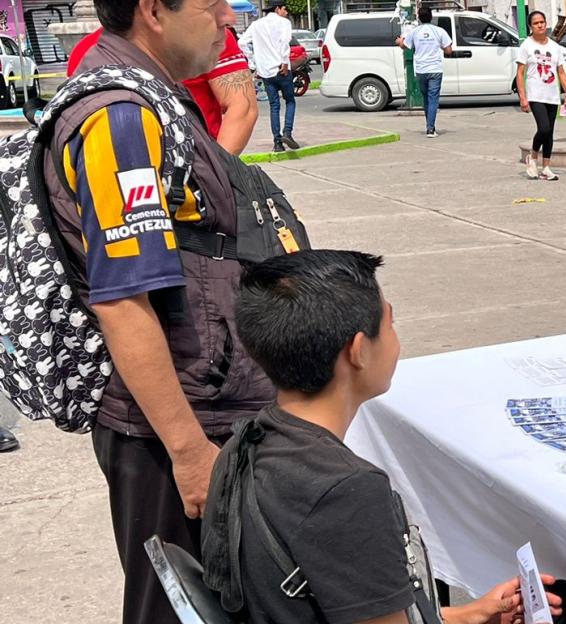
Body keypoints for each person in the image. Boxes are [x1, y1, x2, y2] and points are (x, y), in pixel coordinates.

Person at [203, 250, 566, 624]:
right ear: (358, 351)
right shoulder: (345, 490)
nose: (394, 336)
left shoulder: (245, 443)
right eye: (389, 323)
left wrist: (471, 614)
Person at [47, 0, 277, 620]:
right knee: (177, 607)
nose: (229, 17)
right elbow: (124, 297)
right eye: (212, 4)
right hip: (172, 423)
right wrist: (188, 450)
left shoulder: (153, 95)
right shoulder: (120, 117)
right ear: (153, 9)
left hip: (203, 398)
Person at [66, 25, 259, 154]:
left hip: (198, 175)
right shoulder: (86, 50)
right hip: (119, 182)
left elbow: (242, 106)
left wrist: (218, 173)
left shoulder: (210, 36)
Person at [517, 10, 566, 181]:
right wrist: (523, 97)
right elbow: (520, 73)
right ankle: (532, 156)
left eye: (542, 22)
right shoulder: (526, 46)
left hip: (552, 95)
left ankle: (546, 167)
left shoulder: (554, 47)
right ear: (531, 26)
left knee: (550, 133)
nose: (540, 25)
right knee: (544, 128)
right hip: (535, 94)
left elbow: (561, 72)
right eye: (536, 23)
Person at [240, 0, 299, 152]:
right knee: (290, 101)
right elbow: (284, 43)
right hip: (281, 68)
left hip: (265, 71)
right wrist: (285, 62)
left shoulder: (256, 25)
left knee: (274, 106)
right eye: (285, 8)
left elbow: (242, 43)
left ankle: (277, 143)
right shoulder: (284, 23)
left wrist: (254, 62)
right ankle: (287, 132)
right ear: (278, 8)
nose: (286, 12)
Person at [397, 7, 453, 138]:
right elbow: (448, 50)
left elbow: (404, 45)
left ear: (419, 17)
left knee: (426, 99)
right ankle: (431, 129)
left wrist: (399, 41)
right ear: (431, 16)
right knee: (433, 99)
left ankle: (429, 126)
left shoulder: (414, 32)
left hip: (421, 70)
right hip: (435, 70)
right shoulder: (439, 31)